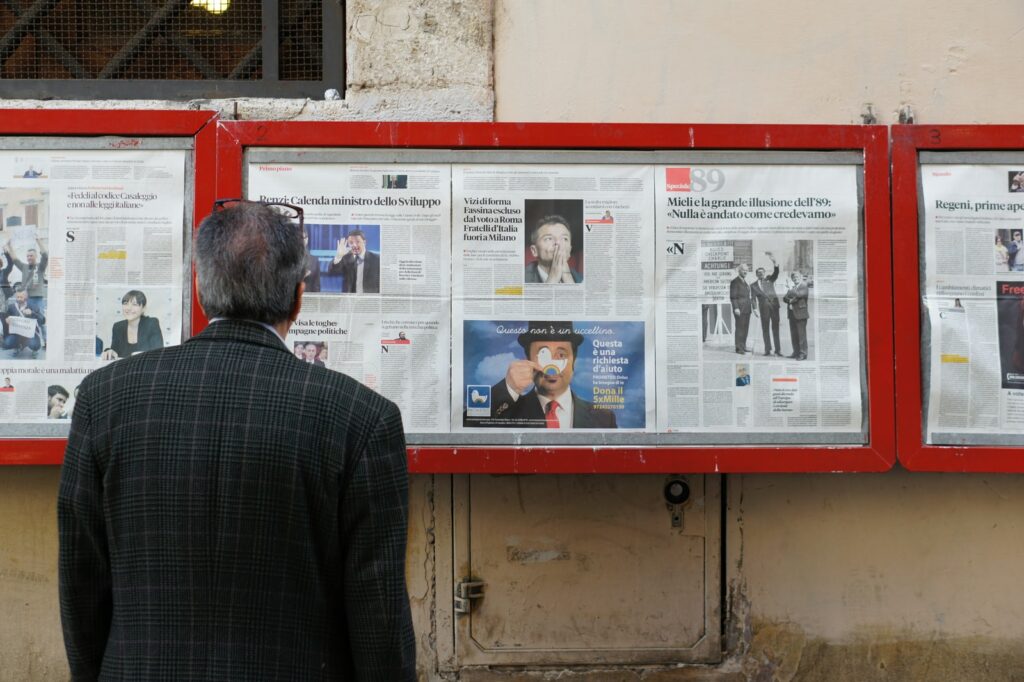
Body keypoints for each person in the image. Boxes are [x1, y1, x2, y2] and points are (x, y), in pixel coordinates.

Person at [58, 201, 415, 680]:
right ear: (298, 298)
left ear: (202, 288)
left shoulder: (104, 399)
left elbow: (82, 578)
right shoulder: (361, 417)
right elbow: (378, 609)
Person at [464, 321, 617, 429]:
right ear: (528, 360)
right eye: (543, 355)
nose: (552, 368)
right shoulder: (506, 412)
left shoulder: (604, 417)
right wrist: (507, 388)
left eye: (561, 355)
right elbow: (465, 426)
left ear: (573, 362)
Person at [100, 290, 163, 360]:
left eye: (135, 304)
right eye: (125, 303)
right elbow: (114, 351)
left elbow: (158, 353)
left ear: (143, 308)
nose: (129, 308)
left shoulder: (151, 323)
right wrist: (109, 351)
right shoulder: (118, 326)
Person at [524, 215, 582, 284]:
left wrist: (569, 279)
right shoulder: (521, 279)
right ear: (534, 251)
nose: (558, 243)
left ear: (569, 250)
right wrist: (552, 281)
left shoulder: (582, 279)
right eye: (549, 238)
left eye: (564, 239)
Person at [3, 237, 47, 317]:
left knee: (41, 320)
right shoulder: (24, 267)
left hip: (37, 299)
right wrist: (9, 246)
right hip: (26, 299)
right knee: (28, 320)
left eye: (31, 256)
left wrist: (38, 241)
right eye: (27, 256)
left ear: (36, 256)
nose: (29, 258)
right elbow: (15, 260)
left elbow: (45, 256)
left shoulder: (40, 266)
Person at [328, 229, 380, 293]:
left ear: (364, 242)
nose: (354, 245)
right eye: (351, 243)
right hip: (349, 300)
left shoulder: (376, 259)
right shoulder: (345, 258)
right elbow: (332, 271)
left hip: (369, 301)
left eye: (358, 242)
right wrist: (339, 256)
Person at [750, 254, 783, 357]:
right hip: (763, 309)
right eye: (758, 273)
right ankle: (767, 349)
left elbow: (776, 273)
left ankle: (778, 350)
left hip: (774, 307)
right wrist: (755, 309)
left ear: (764, 273)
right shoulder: (753, 285)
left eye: (762, 272)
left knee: (775, 328)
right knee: (765, 329)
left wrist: (775, 262)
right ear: (756, 274)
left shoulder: (770, 279)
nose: (761, 274)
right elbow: (753, 298)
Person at [3, 287, 44, 357]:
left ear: (26, 297)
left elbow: (43, 320)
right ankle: (18, 346)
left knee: (34, 345)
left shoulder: (33, 306)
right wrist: (6, 320)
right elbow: (6, 317)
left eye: (21, 297)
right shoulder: (12, 307)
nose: (19, 299)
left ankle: (34, 349)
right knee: (7, 343)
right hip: (17, 333)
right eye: (17, 297)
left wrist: (32, 313)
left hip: (30, 334)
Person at [783, 271, 811, 360]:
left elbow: (798, 294)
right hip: (792, 314)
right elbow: (784, 298)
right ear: (792, 279)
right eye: (794, 277)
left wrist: (790, 297)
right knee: (794, 334)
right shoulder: (793, 287)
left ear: (801, 277)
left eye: (797, 277)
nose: (795, 279)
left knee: (801, 335)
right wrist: (790, 300)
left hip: (801, 314)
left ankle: (803, 353)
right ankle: (796, 352)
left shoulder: (804, 286)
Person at [729, 264, 752, 354]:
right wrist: (736, 308)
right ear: (739, 271)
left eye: (747, 270)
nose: (745, 272)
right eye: (743, 270)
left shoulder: (745, 282)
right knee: (739, 328)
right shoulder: (735, 282)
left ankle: (743, 346)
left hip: (747, 309)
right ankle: (739, 348)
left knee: (745, 329)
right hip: (739, 310)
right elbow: (733, 297)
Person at [302, 228, 321, 293]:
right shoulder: (289, 259)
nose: (302, 240)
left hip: (309, 299)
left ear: (307, 239)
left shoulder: (314, 260)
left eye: (304, 238)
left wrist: (317, 302)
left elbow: (317, 285)